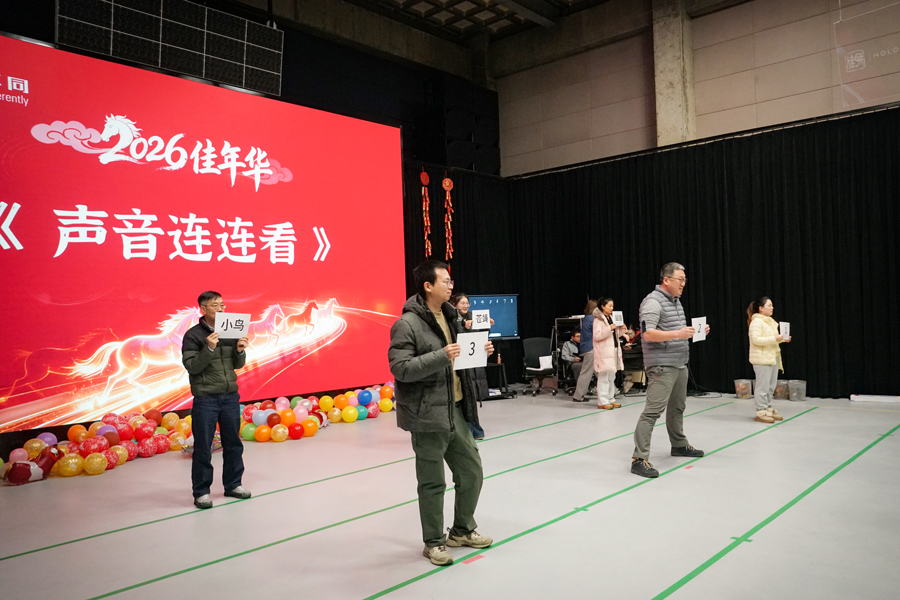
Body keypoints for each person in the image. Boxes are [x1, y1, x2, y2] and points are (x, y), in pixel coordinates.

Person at [389, 261, 494, 566]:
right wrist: (440, 356)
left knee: (471, 471)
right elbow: (400, 368)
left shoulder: (452, 317)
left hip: (455, 410)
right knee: (432, 483)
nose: (451, 286)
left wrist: (480, 351)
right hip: (426, 415)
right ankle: (433, 542)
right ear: (428, 286)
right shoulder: (407, 324)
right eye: (445, 281)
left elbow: (460, 358)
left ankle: (462, 530)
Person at [631, 263, 710, 478]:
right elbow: (648, 334)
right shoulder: (652, 302)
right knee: (652, 412)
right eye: (680, 279)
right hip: (661, 366)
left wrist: (695, 332)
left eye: (685, 280)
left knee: (677, 408)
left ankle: (679, 444)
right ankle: (639, 459)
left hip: (679, 363)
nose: (683, 284)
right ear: (666, 280)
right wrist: (678, 333)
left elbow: (676, 332)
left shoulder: (675, 302)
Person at [181, 291, 251, 509]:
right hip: (206, 399)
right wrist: (209, 348)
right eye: (215, 305)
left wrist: (240, 351)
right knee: (203, 447)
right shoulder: (193, 335)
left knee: (233, 444)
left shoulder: (230, 331)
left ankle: (233, 485)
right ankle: (201, 492)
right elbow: (192, 366)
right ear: (203, 309)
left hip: (230, 396)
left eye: (222, 305)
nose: (221, 309)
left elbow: (236, 365)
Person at [451, 292, 490, 440]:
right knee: (463, 397)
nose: (466, 305)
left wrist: (487, 325)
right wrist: (464, 327)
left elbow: (481, 337)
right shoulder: (452, 319)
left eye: (467, 303)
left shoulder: (473, 317)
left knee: (471, 398)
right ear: (455, 304)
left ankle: (475, 430)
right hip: (459, 363)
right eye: (462, 303)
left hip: (473, 363)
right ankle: (466, 431)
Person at [747, 296, 791, 423]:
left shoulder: (770, 321)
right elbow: (756, 340)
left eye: (772, 305)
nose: (772, 308)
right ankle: (760, 411)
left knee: (770, 386)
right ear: (761, 308)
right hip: (761, 359)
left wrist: (783, 339)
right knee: (763, 387)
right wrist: (775, 339)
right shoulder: (756, 322)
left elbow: (772, 339)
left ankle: (768, 408)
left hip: (772, 357)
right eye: (769, 305)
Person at [593, 298, 627, 410]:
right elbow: (597, 336)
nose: (612, 308)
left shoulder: (612, 318)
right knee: (603, 376)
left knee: (612, 376)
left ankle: (611, 398)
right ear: (602, 306)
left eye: (612, 306)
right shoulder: (598, 320)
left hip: (614, 349)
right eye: (609, 306)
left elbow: (615, 335)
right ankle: (602, 401)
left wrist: (622, 329)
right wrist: (609, 328)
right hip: (604, 351)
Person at [571, 299, 598, 402]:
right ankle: (578, 396)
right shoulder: (592, 318)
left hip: (586, 347)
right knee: (586, 372)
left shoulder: (586, 318)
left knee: (599, 371)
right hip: (590, 348)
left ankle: (613, 390)